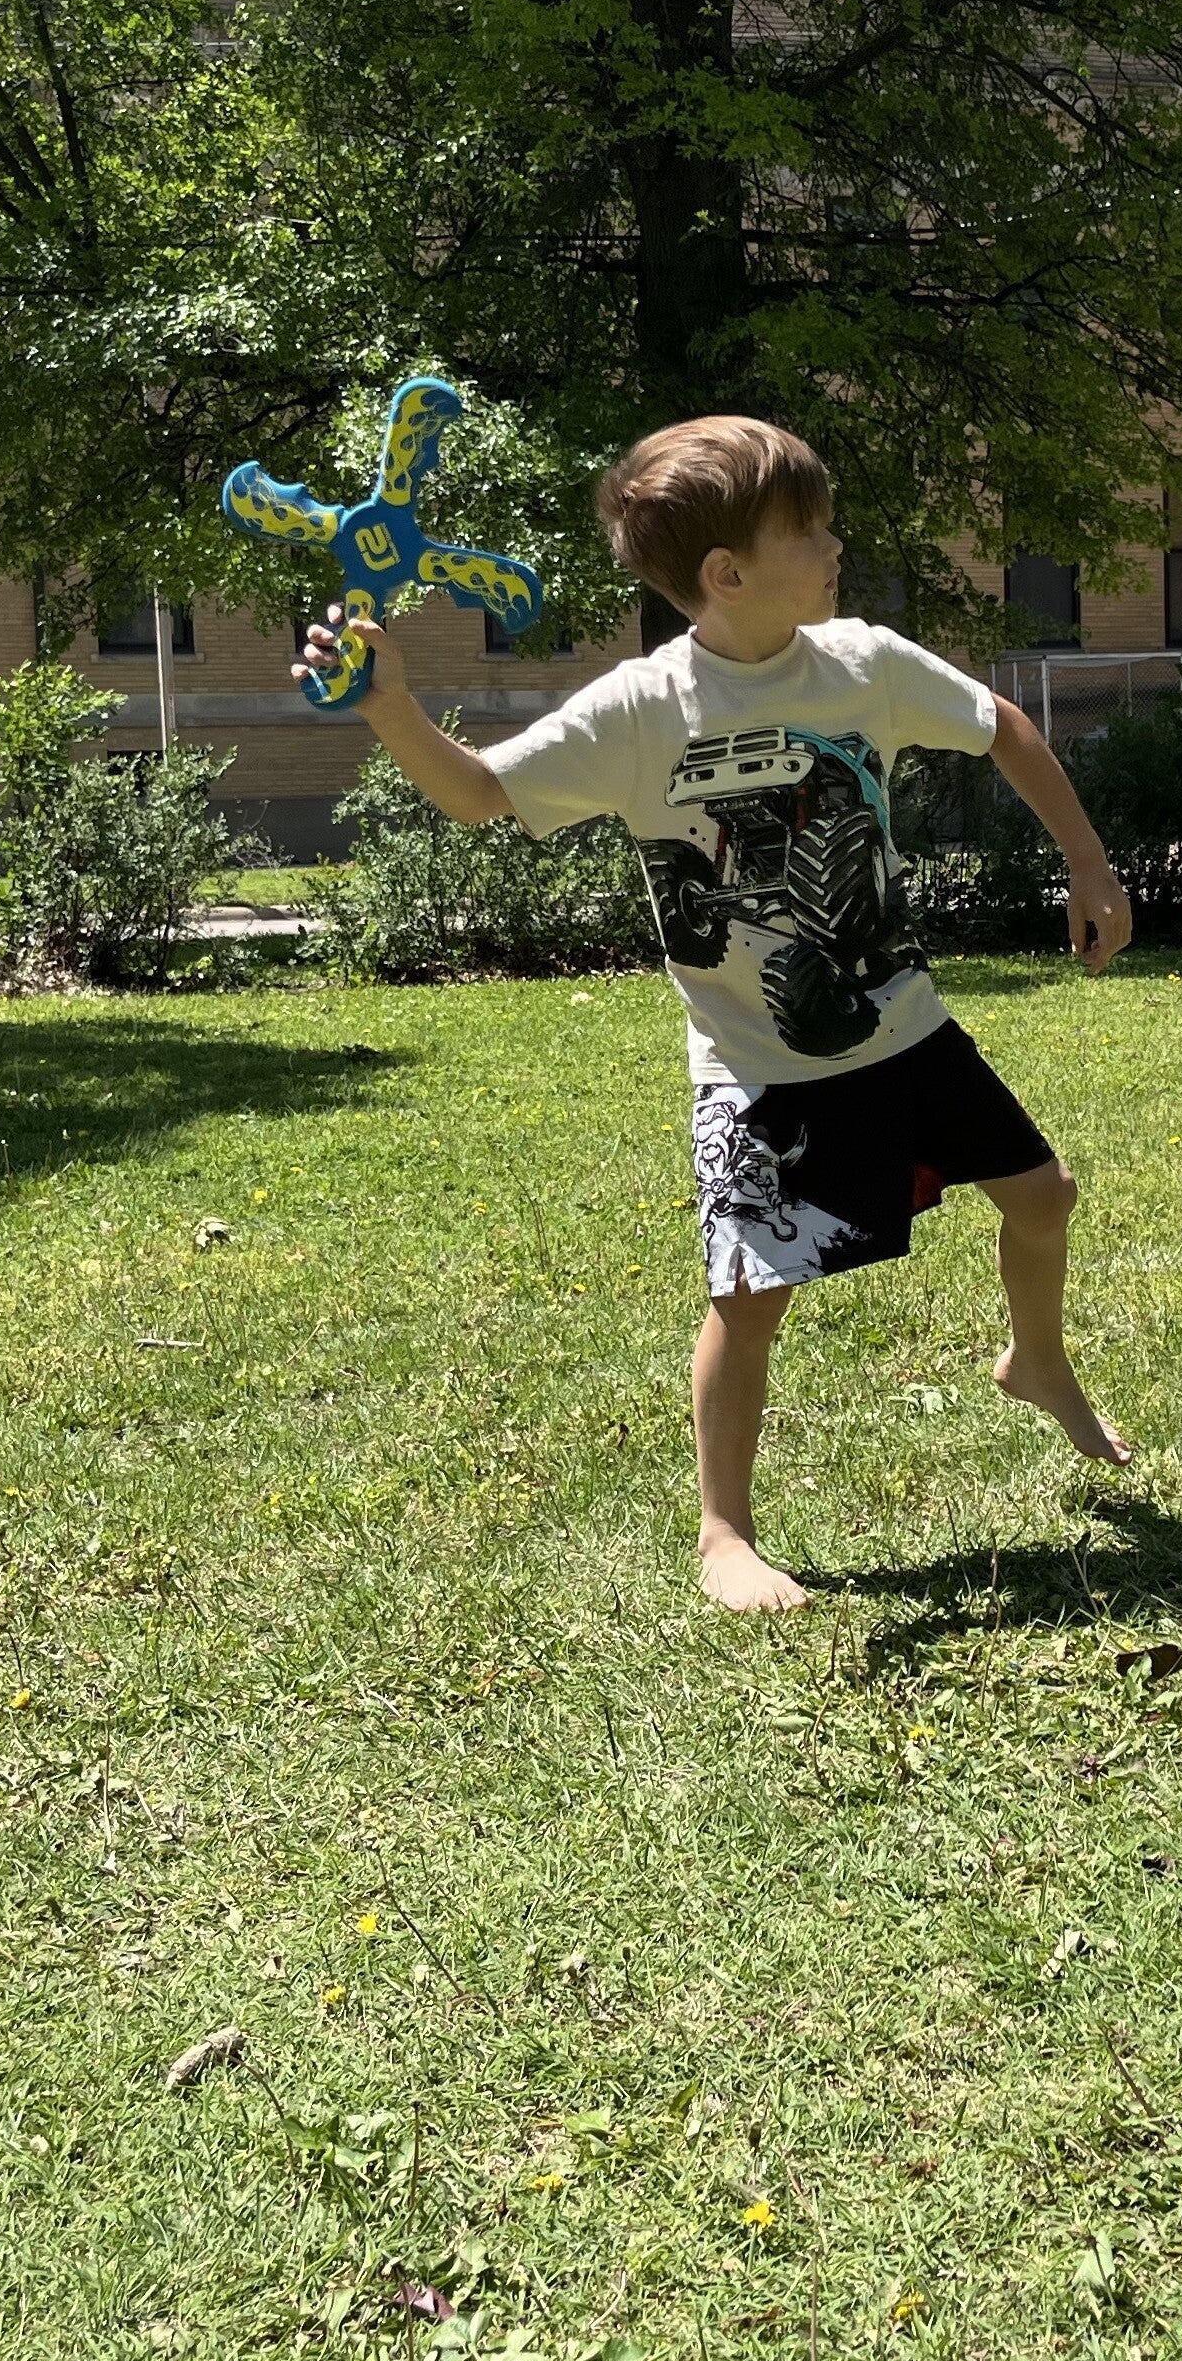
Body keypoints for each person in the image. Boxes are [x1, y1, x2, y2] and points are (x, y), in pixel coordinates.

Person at [304, 413, 1136, 1613]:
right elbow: (480, 794)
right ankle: (723, 1536)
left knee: (1042, 1196)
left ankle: (1037, 1359)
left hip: (899, 1021)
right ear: (727, 572)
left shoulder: (864, 664)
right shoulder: (640, 711)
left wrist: (1089, 865)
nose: (837, 542)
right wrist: (391, 709)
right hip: (759, 1068)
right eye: (812, 527)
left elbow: (998, 726)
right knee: (749, 1302)